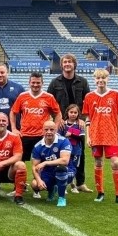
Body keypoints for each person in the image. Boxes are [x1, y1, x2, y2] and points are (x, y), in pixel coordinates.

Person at [10, 71, 62, 197]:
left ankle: (37, 188)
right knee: (19, 162)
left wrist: (54, 128)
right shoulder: (22, 96)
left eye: (38, 83)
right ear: (29, 82)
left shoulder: (48, 97)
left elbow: (58, 113)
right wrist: (14, 128)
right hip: (25, 135)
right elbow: (13, 112)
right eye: (33, 82)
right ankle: (18, 187)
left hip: (42, 136)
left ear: (42, 83)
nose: (35, 85)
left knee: (41, 163)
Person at [82, 68, 118, 205]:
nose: (100, 81)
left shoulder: (115, 94)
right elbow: (88, 118)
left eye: (103, 78)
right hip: (96, 135)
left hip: (112, 135)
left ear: (107, 79)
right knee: (98, 162)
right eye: (98, 78)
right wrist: (88, 137)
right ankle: (100, 193)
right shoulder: (89, 97)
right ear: (94, 80)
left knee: (115, 162)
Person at [48, 53, 93, 192]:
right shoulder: (55, 83)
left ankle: (80, 182)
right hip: (61, 124)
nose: (67, 64)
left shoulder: (83, 82)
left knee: (80, 153)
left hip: (78, 123)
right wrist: (58, 118)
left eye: (70, 62)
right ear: (61, 65)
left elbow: (88, 103)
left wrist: (81, 118)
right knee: (60, 152)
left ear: (74, 65)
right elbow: (49, 103)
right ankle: (59, 180)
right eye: (65, 62)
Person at [30, 120, 74, 207]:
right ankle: (51, 190)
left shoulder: (63, 141)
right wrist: (39, 180)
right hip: (48, 172)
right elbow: (35, 167)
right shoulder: (38, 146)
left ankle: (61, 198)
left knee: (60, 169)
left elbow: (65, 161)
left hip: (67, 170)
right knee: (34, 184)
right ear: (42, 130)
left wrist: (46, 162)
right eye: (46, 130)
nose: (49, 132)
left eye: (51, 129)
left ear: (56, 130)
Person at [0, 62, 25, 132]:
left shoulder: (18, 88)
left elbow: (24, 110)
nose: (0, 75)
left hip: (14, 130)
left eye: (2, 72)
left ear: (7, 73)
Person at [62, 104, 85, 193]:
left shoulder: (79, 124)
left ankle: (73, 185)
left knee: (73, 169)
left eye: (75, 112)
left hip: (76, 151)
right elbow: (59, 136)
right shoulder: (63, 124)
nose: (73, 114)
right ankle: (64, 186)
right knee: (65, 168)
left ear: (78, 114)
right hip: (64, 151)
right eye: (71, 112)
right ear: (67, 113)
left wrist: (71, 134)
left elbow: (81, 137)